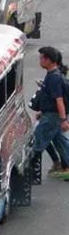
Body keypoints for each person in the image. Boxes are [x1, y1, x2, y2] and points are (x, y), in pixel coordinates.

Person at [33, 46, 69, 178]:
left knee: (39, 137)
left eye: (42, 58)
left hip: (53, 116)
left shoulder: (54, 78)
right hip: (51, 114)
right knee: (60, 141)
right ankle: (61, 164)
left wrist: (63, 120)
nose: (40, 60)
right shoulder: (52, 76)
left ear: (49, 60)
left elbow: (59, 100)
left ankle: (32, 169)